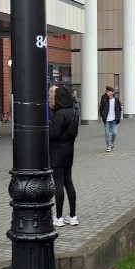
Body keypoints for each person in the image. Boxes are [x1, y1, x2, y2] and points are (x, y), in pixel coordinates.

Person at [49, 85, 79, 227]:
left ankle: (59, 217)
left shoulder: (59, 114)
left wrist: (48, 129)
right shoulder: (74, 113)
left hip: (57, 151)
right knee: (69, 182)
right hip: (69, 150)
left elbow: (53, 134)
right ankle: (73, 215)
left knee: (58, 183)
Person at [99, 86, 122, 152]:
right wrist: (103, 116)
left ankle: (112, 143)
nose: (107, 93)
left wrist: (118, 117)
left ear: (112, 92)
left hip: (114, 119)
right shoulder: (105, 100)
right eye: (107, 91)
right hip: (107, 120)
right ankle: (108, 146)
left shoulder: (116, 100)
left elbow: (119, 109)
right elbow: (101, 109)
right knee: (107, 133)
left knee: (114, 133)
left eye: (109, 91)